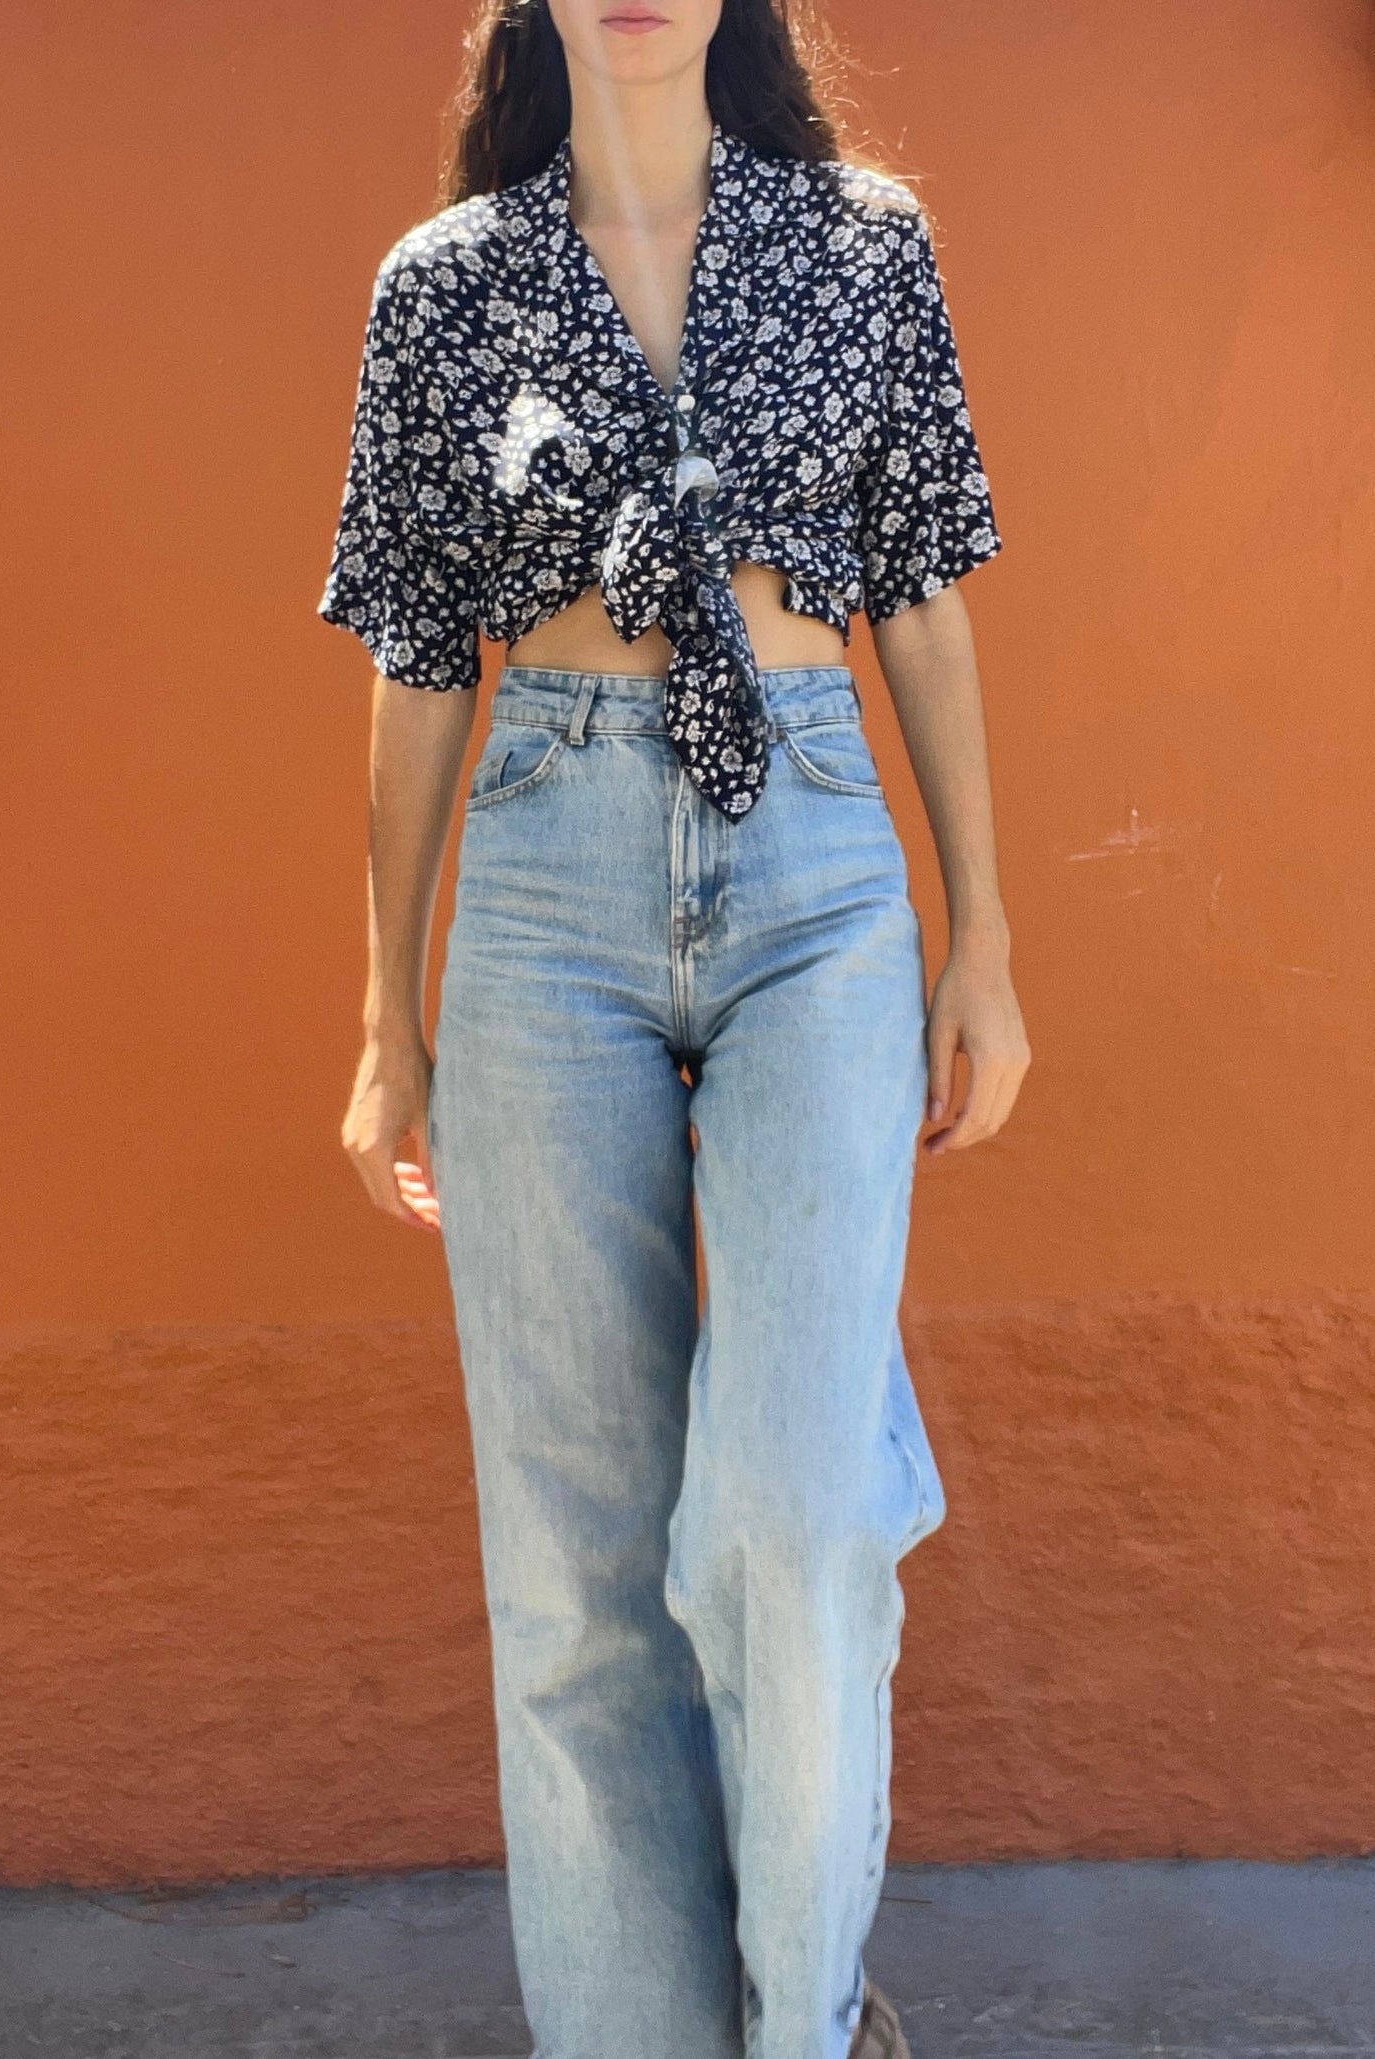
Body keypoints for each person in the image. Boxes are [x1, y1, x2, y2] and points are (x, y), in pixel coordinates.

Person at [318, 1, 1031, 2053]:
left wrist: (981, 932)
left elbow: (922, 588)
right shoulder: (445, 287)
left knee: (790, 1510)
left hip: (813, 862)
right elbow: (416, 652)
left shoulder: (859, 241)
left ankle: (800, 2019)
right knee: (573, 1573)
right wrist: (388, 1005)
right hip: (544, 878)